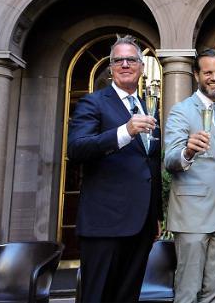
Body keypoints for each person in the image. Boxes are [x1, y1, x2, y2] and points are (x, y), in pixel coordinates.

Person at [67, 34, 163, 303]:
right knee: (98, 296)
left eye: (131, 59)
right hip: (105, 223)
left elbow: (150, 161)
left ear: (141, 67)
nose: (124, 64)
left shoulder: (148, 107)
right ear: (110, 68)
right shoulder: (93, 102)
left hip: (141, 223)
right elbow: (76, 149)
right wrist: (125, 131)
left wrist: (155, 213)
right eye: (117, 60)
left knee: (127, 296)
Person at [163, 48, 215, 303]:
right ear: (197, 74)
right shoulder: (181, 111)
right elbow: (170, 160)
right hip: (192, 215)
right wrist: (187, 151)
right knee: (188, 290)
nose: (214, 77)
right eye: (208, 72)